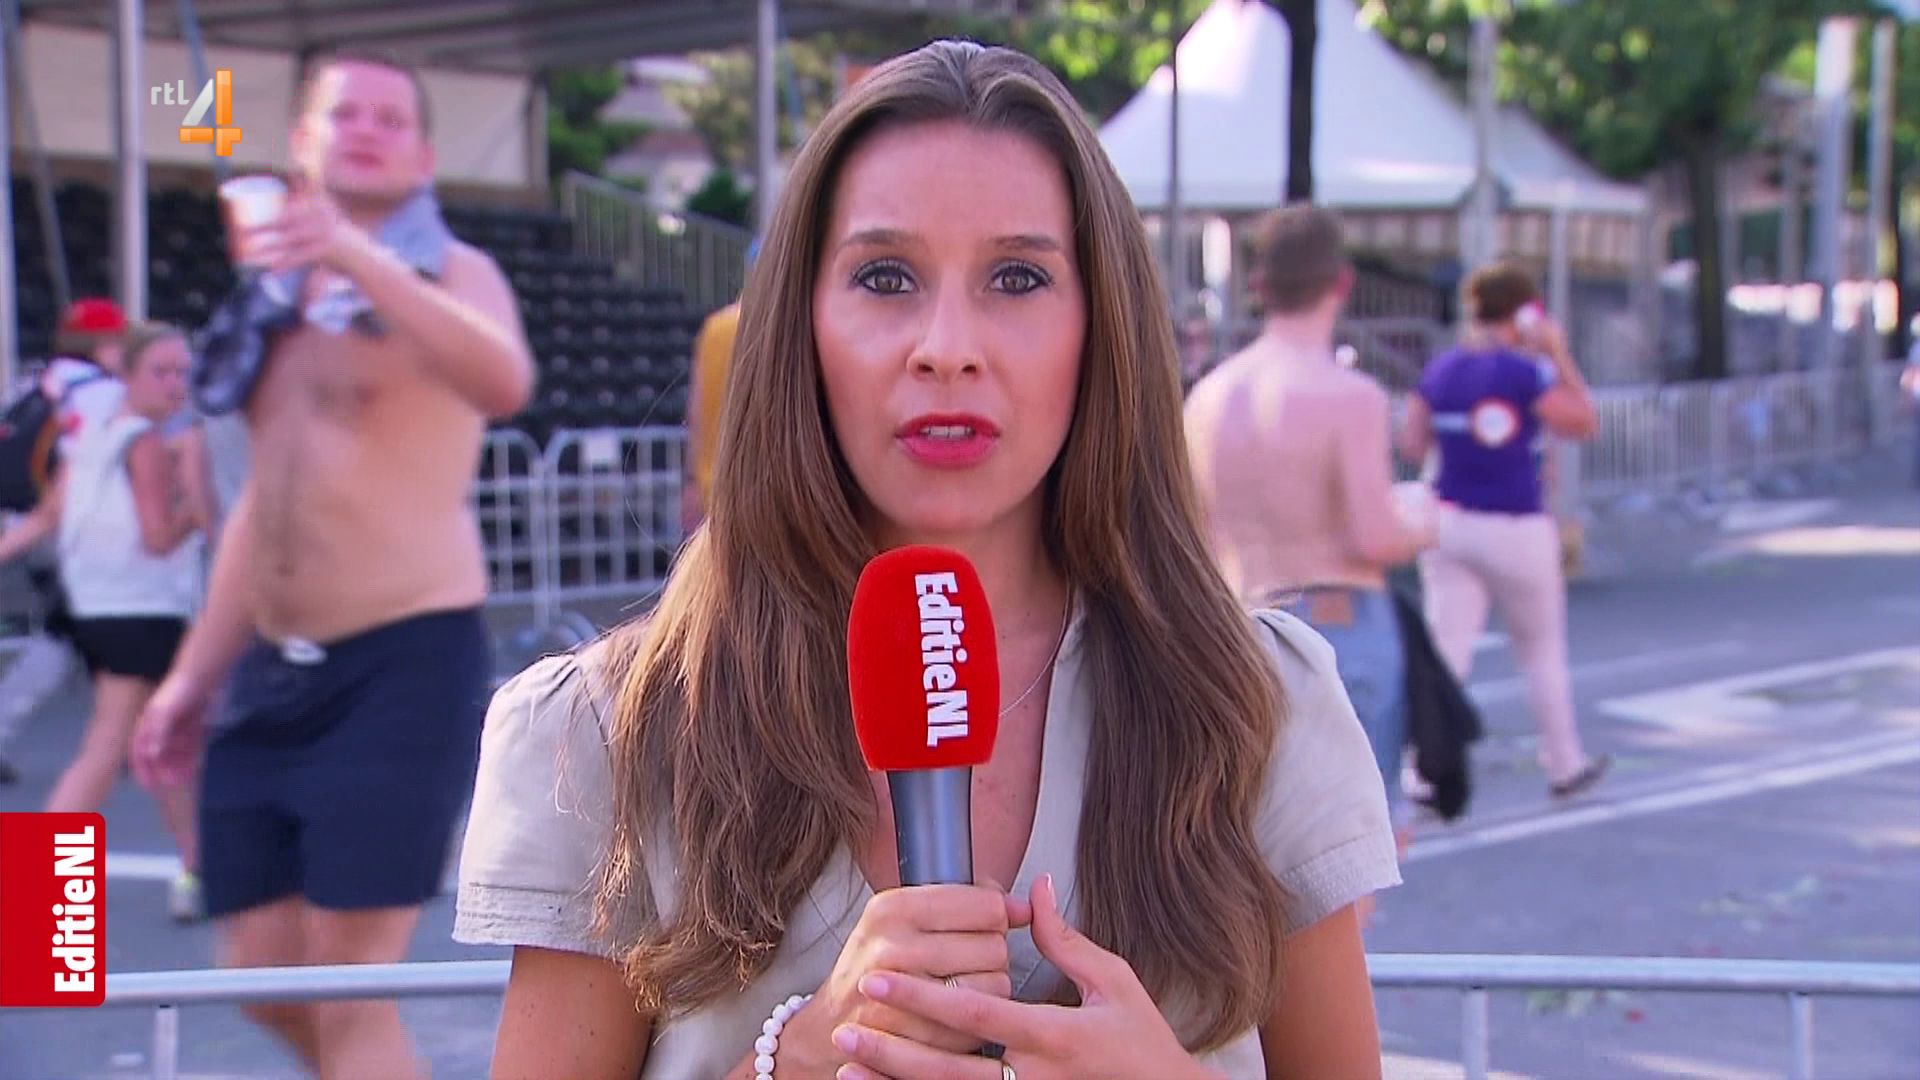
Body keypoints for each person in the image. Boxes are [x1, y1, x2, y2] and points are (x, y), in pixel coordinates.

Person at [455, 41, 1398, 1079]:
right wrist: (790, 1063)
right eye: (886, 277)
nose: (948, 346)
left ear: (1102, 324)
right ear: (800, 323)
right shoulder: (607, 732)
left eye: (1018, 277)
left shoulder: (1255, 705)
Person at [130, 49, 533, 1080]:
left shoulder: (448, 272)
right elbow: (262, 507)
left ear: (425, 155)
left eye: (390, 118)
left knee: (349, 988)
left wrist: (357, 256)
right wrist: (192, 677)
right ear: (301, 143)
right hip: (269, 669)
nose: (366, 130)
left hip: (401, 661)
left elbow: (504, 380)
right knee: (259, 975)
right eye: (344, 113)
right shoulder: (272, 295)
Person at [1184, 203, 1434, 847]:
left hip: (1239, 623)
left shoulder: (1210, 397)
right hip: (1340, 619)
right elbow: (1375, 535)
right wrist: (1428, 523)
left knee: (1257, 837)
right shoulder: (1350, 397)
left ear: (1259, 286)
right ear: (1341, 283)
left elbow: (1192, 533)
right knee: (1355, 842)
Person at [0, 323, 208, 912]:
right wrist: (203, 507)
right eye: (161, 372)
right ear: (130, 375)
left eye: (182, 372)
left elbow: (47, 515)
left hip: (96, 605)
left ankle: (196, 867)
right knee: (110, 746)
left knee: (160, 741)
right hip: (141, 607)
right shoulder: (148, 443)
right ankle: (40, 890)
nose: (175, 385)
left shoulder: (92, 435)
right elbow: (159, 537)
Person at [1400, 262, 1609, 800]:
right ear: (1523, 313)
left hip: (1449, 525)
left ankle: (1420, 774)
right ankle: (1564, 764)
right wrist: (1557, 352)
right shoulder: (1526, 373)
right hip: (1516, 524)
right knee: (1541, 651)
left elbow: (1413, 443)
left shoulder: (1442, 371)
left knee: (1446, 652)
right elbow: (1583, 420)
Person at [0, 297, 130, 785]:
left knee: (81, 632)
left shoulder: (36, 384)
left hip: (28, 524)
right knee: (77, 634)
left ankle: (127, 736)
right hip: (78, 530)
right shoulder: (104, 394)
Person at [681, 239, 759, 532]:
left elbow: (695, 413)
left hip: (711, 488)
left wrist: (690, 481)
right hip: (763, 490)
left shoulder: (715, 327)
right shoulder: (775, 329)